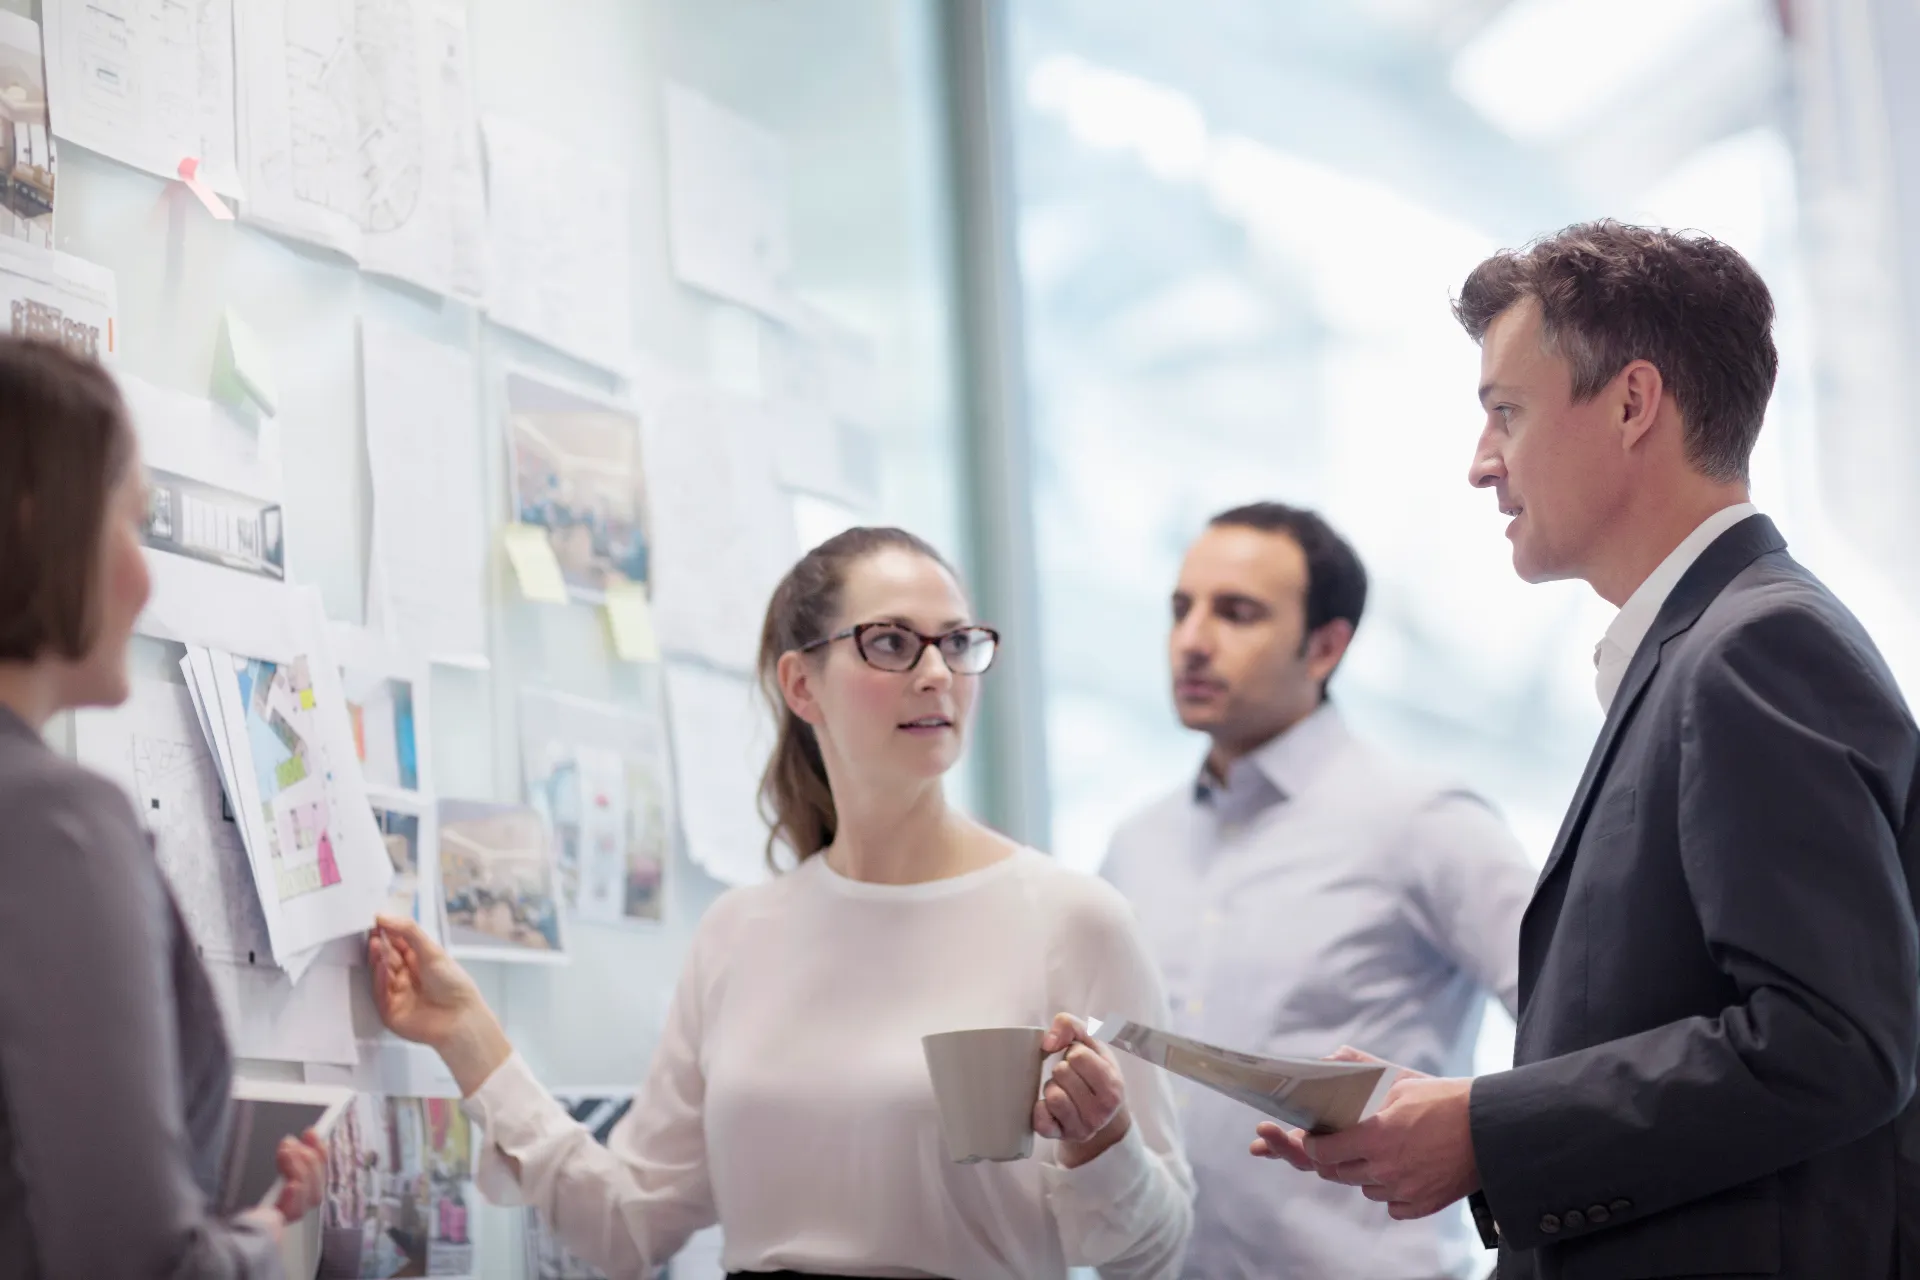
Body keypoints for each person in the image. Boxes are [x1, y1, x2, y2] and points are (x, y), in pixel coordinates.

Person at [1259, 220, 1920, 1277]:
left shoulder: (1754, 648)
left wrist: (1487, 1125)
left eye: (1505, 414)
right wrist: (1470, 1116)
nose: (1483, 464)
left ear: (1630, 403)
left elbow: (1831, 1042)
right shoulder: (1711, 646)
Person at [367, 526, 1196, 1279]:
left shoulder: (1074, 919)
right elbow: (629, 1228)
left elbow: (1151, 1255)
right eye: (893, 643)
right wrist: (468, 1037)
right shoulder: (740, 933)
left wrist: (1103, 1143)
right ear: (802, 684)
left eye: (958, 643)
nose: (937, 673)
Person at [1103, 502, 1536, 1279]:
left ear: (1326, 646)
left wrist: (1476, 1133)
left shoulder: (1424, 823)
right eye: (1181, 609)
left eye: (1236, 613)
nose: (1193, 641)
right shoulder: (1135, 847)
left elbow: (1579, 1017)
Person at [0, 337, 328, 1277]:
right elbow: (142, 1264)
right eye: (129, 525)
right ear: (37, 525)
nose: (146, 580)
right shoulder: (59, 827)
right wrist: (258, 1244)